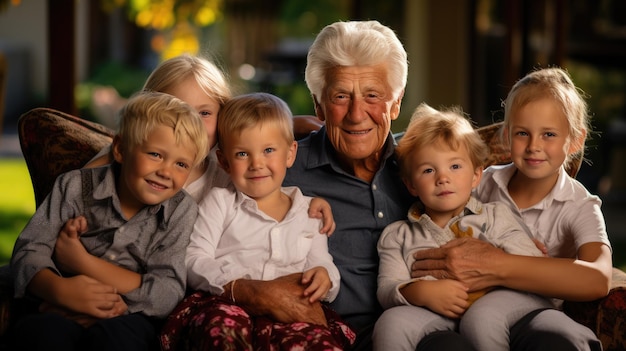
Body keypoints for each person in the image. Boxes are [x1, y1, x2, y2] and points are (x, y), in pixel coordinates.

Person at [412, 67, 612, 350]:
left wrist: (503, 263)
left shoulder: (579, 205)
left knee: (540, 335)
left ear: (576, 140)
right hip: (468, 300)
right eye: (522, 133)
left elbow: (598, 277)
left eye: (549, 135)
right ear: (506, 136)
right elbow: (442, 221)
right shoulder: (483, 182)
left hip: (534, 309)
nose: (533, 146)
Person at [8, 91, 210, 351]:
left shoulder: (181, 211)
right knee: (41, 334)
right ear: (120, 149)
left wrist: (103, 292)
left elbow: (167, 290)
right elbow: (30, 248)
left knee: (119, 341)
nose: (166, 172)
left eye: (181, 164)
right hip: (57, 306)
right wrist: (59, 290)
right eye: (156, 155)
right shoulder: (74, 187)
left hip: (126, 315)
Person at [160, 92, 355, 350]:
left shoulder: (309, 211)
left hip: (290, 311)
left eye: (269, 150)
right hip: (227, 304)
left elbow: (321, 261)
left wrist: (325, 277)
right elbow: (194, 258)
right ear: (224, 161)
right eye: (242, 154)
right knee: (221, 330)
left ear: (290, 153)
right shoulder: (220, 202)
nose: (257, 164)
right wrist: (240, 287)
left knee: (316, 343)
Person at [373, 103, 554, 351]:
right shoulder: (397, 236)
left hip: (498, 307)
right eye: (428, 170)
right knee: (390, 323)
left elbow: (531, 262)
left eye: (455, 166)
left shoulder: (494, 217)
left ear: (476, 175)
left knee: (483, 318)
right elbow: (387, 288)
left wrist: (506, 258)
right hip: (434, 314)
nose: (442, 178)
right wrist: (423, 292)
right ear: (411, 185)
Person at [86, 53, 335, 233]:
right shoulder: (136, 158)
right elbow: (78, 192)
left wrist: (306, 205)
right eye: (178, 112)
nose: (191, 126)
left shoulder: (226, 167)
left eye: (204, 114)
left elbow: (266, 192)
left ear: (222, 115)